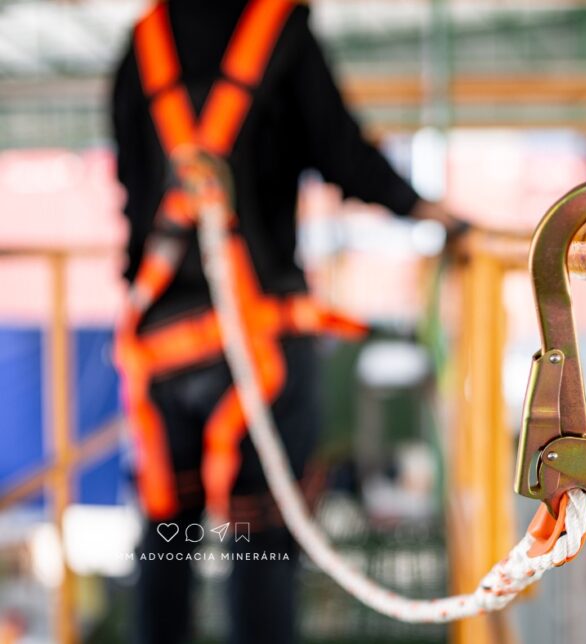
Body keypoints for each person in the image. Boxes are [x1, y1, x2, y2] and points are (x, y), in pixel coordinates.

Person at [111, 0, 467, 642]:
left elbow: (132, 190)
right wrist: (430, 213)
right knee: (259, 548)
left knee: (166, 540)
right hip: (258, 353)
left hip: (164, 352)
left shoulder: (141, 46)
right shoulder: (280, 34)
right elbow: (344, 154)